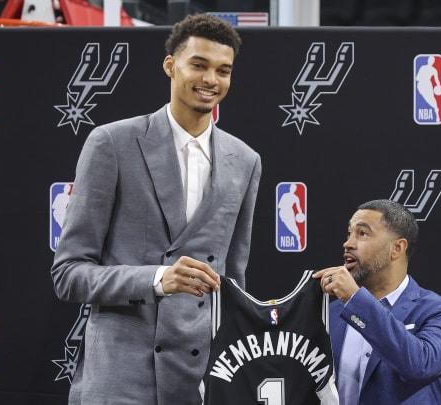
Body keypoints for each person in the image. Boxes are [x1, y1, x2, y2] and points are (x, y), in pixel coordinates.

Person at [51, 13, 262, 405]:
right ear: (170, 65)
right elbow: (68, 274)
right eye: (198, 65)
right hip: (119, 378)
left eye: (223, 70)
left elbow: (233, 285)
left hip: (198, 379)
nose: (210, 80)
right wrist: (157, 279)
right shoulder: (112, 144)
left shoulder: (245, 161)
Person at [313, 199, 441, 404]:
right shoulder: (330, 314)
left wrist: (355, 299)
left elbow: (419, 364)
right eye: (349, 233)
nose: (348, 243)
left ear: (397, 248)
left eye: (362, 233)